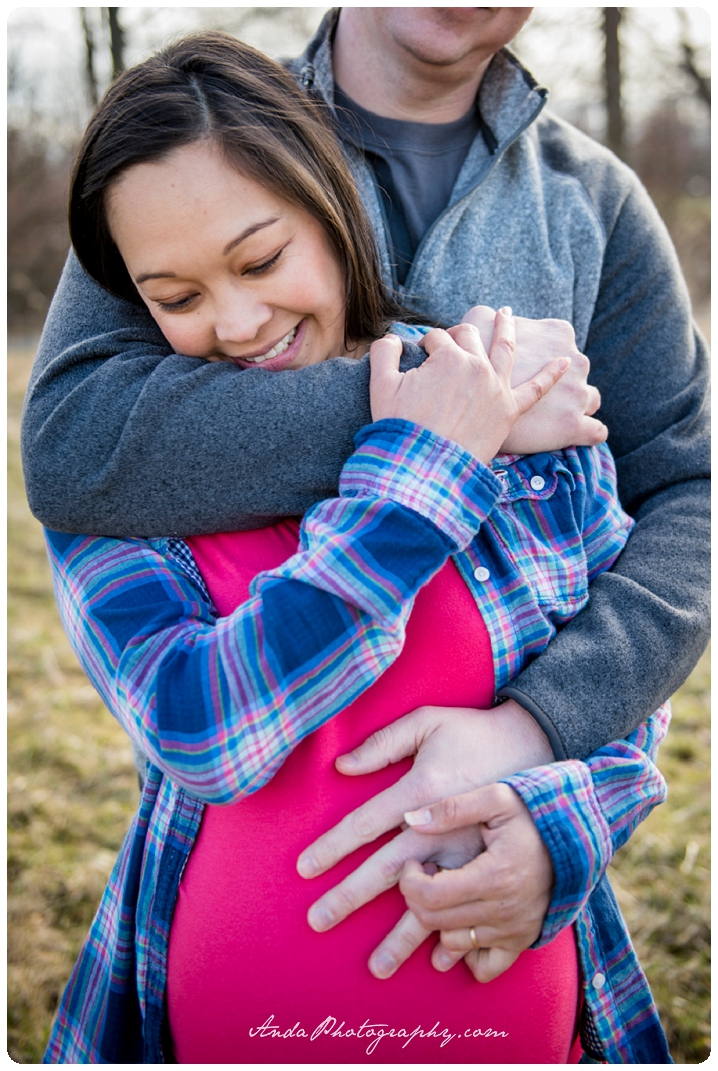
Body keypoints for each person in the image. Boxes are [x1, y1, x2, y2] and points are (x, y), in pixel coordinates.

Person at [40, 35, 671, 1064]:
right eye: (177, 296)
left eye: (260, 260)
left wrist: (559, 827)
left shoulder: (528, 435)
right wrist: (415, 474)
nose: (238, 323)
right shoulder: (123, 486)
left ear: (333, 212)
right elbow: (202, 734)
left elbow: (626, 703)